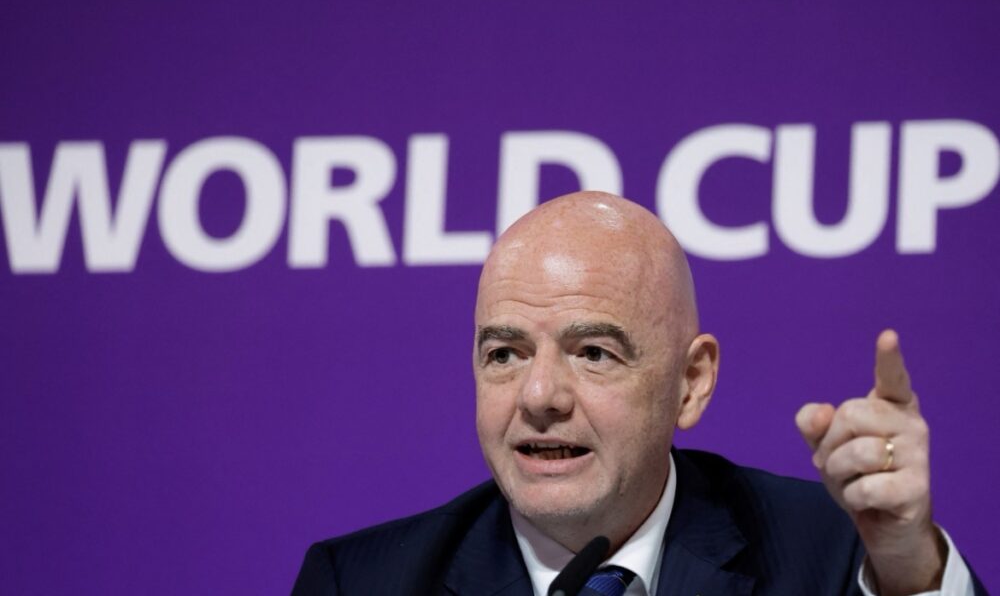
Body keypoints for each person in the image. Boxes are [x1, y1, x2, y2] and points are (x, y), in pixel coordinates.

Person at [292, 192, 985, 595]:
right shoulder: (364, 582)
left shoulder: (830, 556)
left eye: (593, 353)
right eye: (505, 354)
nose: (539, 395)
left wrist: (907, 568)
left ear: (691, 382)